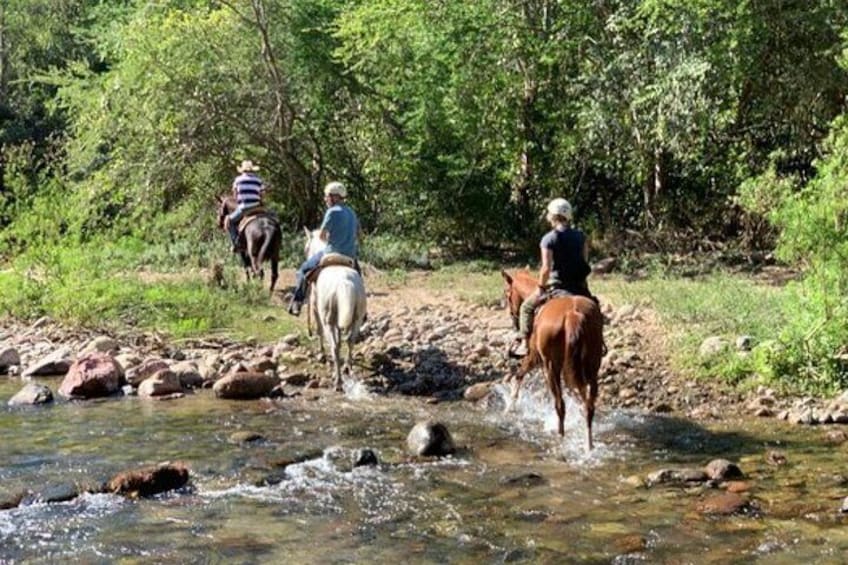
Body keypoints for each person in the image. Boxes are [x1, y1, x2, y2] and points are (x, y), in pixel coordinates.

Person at [510, 197, 593, 357]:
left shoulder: (548, 239)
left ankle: (525, 344)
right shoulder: (581, 237)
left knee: (526, 308)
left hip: (557, 287)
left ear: (552, 217)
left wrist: (541, 287)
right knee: (595, 308)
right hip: (579, 286)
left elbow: (546, 268)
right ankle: (599, 343)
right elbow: (584, 262)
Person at [288, 181, 359, 316]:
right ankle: (362, 312)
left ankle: (297, 302)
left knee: (302, 271)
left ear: (335, 197)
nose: (326, 199)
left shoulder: (331, 212)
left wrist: (330, 239)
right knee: (358, 278)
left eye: (327, 196)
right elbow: (358, 235)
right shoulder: (352, 212)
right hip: (350, 255)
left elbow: (321, 235)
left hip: (331, 252)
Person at [226, 160, 264, 252]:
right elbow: (262, 194)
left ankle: (236, 243)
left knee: (230, 221)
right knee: (273, 217)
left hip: (244, 207)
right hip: (257, 207)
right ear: (252, 170)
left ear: (242, 170)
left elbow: (235, 194)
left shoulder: (238, 180)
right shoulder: (258, 180)